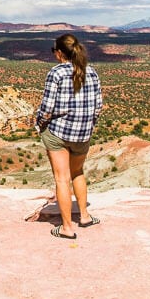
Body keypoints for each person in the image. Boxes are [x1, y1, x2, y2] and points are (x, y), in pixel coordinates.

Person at [35, 33, 103, 240]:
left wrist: (39, 124)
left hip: (59, 131)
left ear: (59, 53)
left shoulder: (56, 73)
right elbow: (98, 107)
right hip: (83, 133)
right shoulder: (91, 72)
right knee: (78, 172)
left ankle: (66, 227)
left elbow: (47, 108)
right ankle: (84, 216)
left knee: (62, 179)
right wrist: (88, 126)